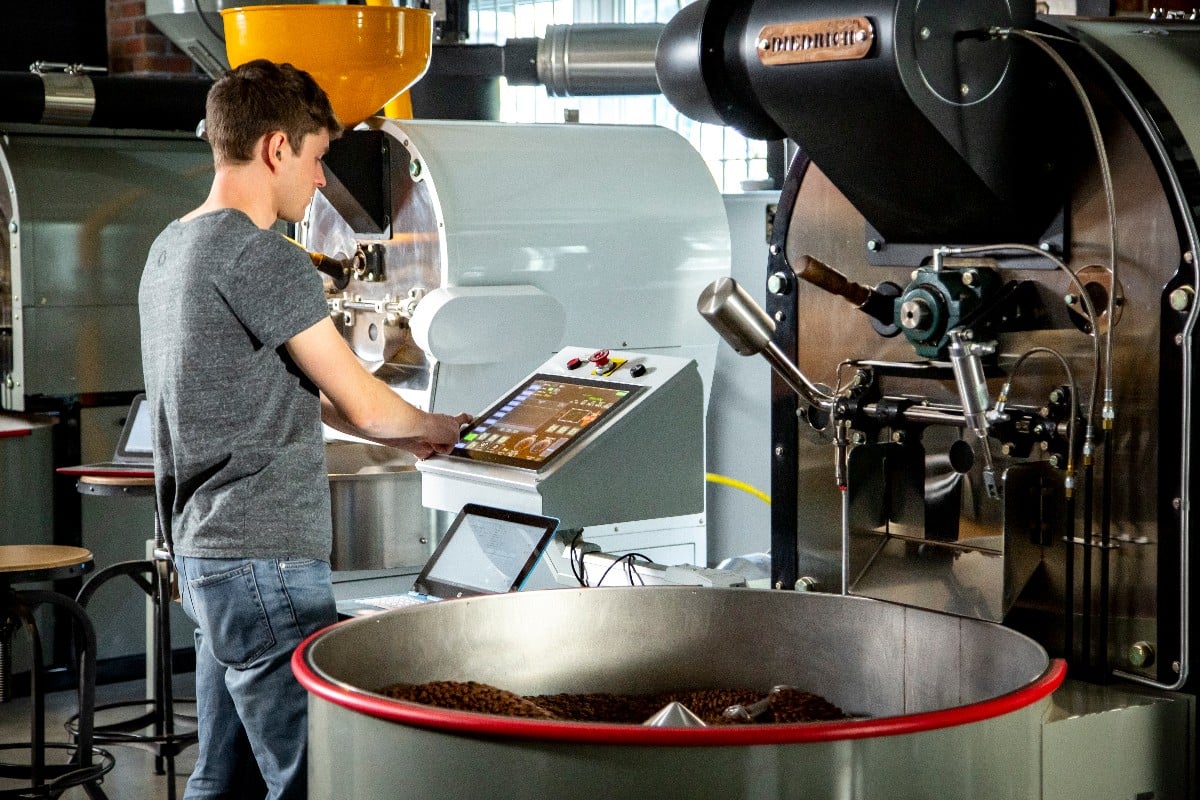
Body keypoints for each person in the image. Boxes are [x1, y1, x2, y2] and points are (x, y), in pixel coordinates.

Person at [138, 59, 470, 800]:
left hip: (203, 556)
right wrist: (438, 425)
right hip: (263, 561)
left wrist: (409, 436)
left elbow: (294, 391)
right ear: (276, 148)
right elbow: (362, 402)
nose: (321, 183)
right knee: (313, 777)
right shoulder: (263, 257)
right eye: (318, 159)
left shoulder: (169, 249)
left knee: (224, 779)